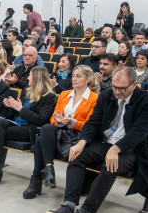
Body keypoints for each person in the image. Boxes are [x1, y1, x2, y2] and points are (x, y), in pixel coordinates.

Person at [46, 66, 148, 213]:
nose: (117, 92)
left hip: (130, 149)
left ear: (134, 84)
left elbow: (139, 132)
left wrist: (116, 149)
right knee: (78, 156)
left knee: (110, 166)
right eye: (114, 86)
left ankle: (85, 212)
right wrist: (82, 141)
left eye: (122, 88)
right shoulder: (107, 95)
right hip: (105, 143)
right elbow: (94, 122)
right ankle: (69, 206)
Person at [23, 65, 99, 199]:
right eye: (73, 76)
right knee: (47, 128)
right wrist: (58, 121)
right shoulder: (65, 94)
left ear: (87, 79)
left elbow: (90, 125)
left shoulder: (94, 98)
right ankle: (49, 169)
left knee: (41, 139)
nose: (74, 79)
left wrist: (73, 122)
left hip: (78, 136)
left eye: (78, 76)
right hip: (60, 132)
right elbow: (53, 117)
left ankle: (37, 180)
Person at [0, 66, 57, 186]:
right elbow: (16, 113)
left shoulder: (49, 96)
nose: (27, 78)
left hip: (28, 129)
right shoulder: (27, 90)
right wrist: (10, 106)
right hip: (16, 123)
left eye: (30, 75)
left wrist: (20, 109)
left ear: (37, 78)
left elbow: (41, 120)